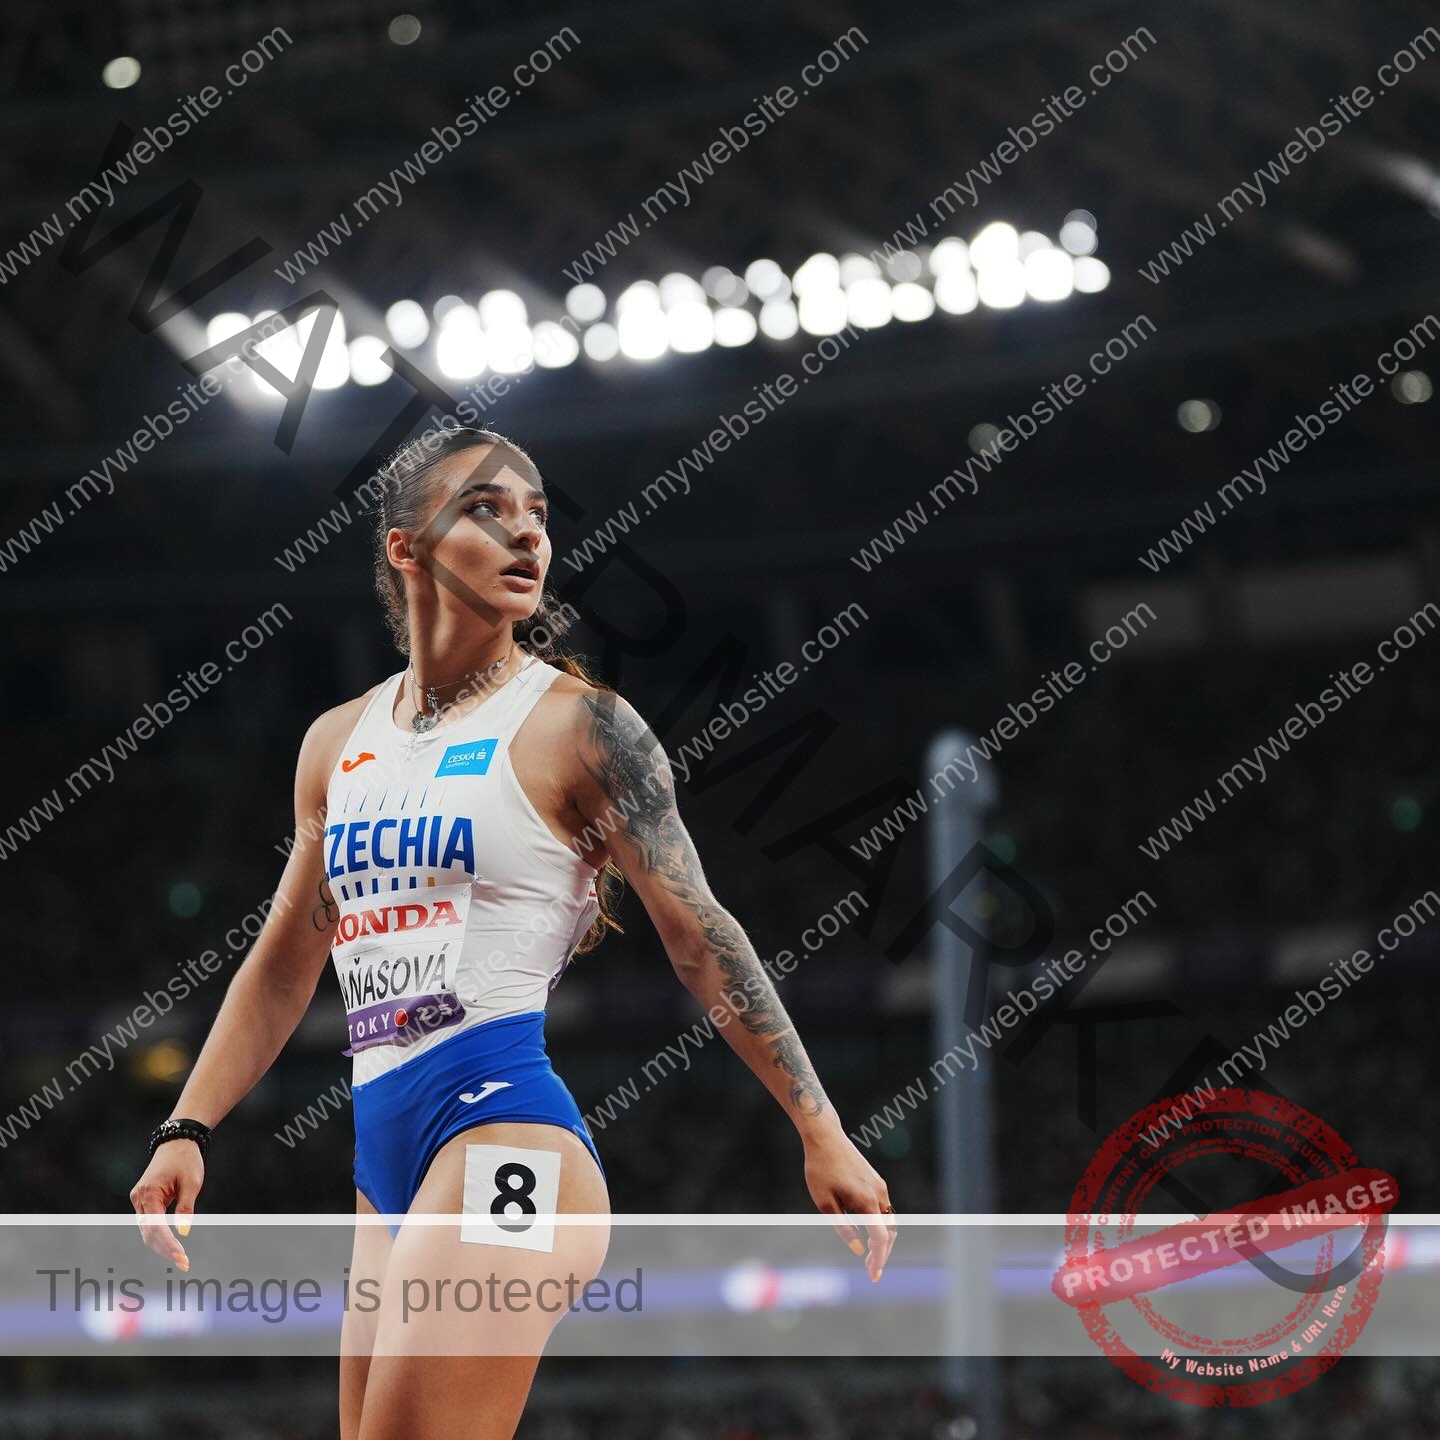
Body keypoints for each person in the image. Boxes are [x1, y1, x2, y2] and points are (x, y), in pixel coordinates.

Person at [130, 425, 896, 1438]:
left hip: (504, 1135)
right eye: (486, 509)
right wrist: (188, 1125)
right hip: (382, 1164)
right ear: (407, 549)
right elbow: (284, 960)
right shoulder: (336, 743)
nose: (527, 533)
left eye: (537, 513)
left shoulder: (583, 727)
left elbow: (699, 935)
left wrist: (821, 1127)